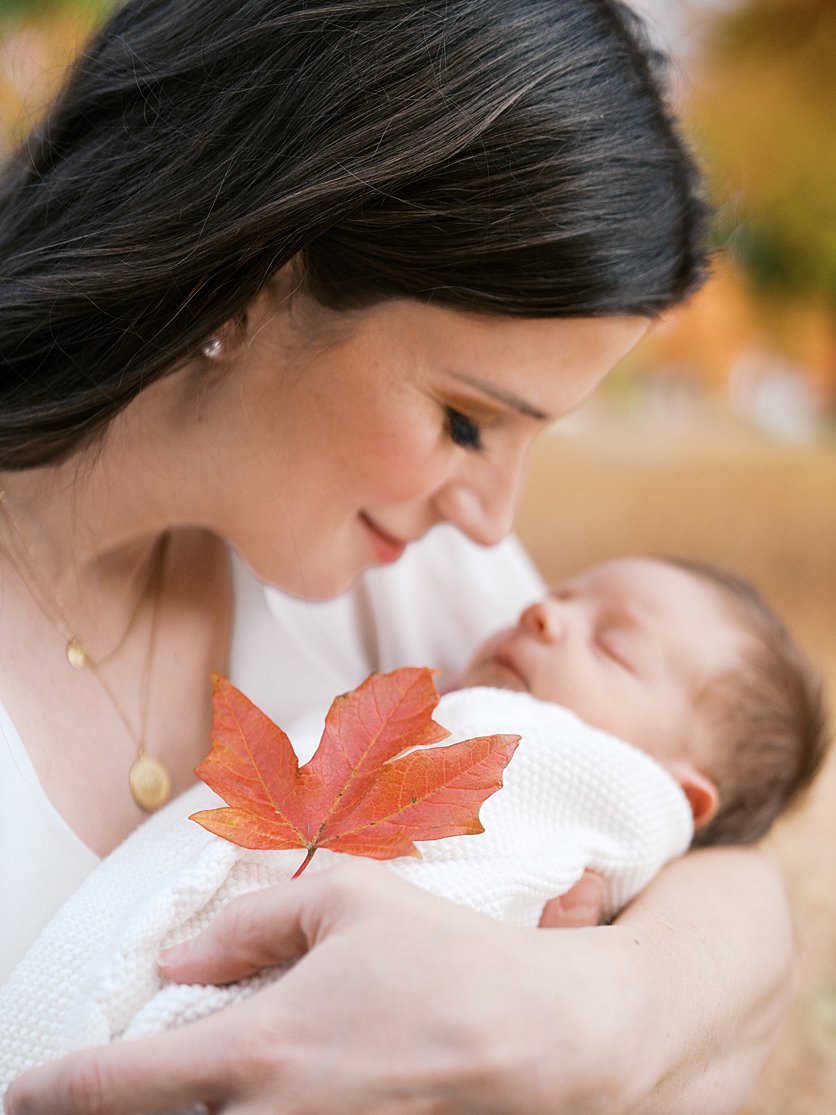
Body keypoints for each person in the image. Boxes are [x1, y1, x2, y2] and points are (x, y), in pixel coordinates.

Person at [0, 1, 797, 1112]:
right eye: (467, 421)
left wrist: (590, 1017)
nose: (488, 518)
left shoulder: (419, 582)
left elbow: (725, 873)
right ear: (258, 269)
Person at [0, 553, 826, 1091]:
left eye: (613, 647)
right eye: (559, 596)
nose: (542, 614)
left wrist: (603, 999)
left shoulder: (589, 781)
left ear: (680, 798)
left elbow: (738, 904)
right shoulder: (448, 675)